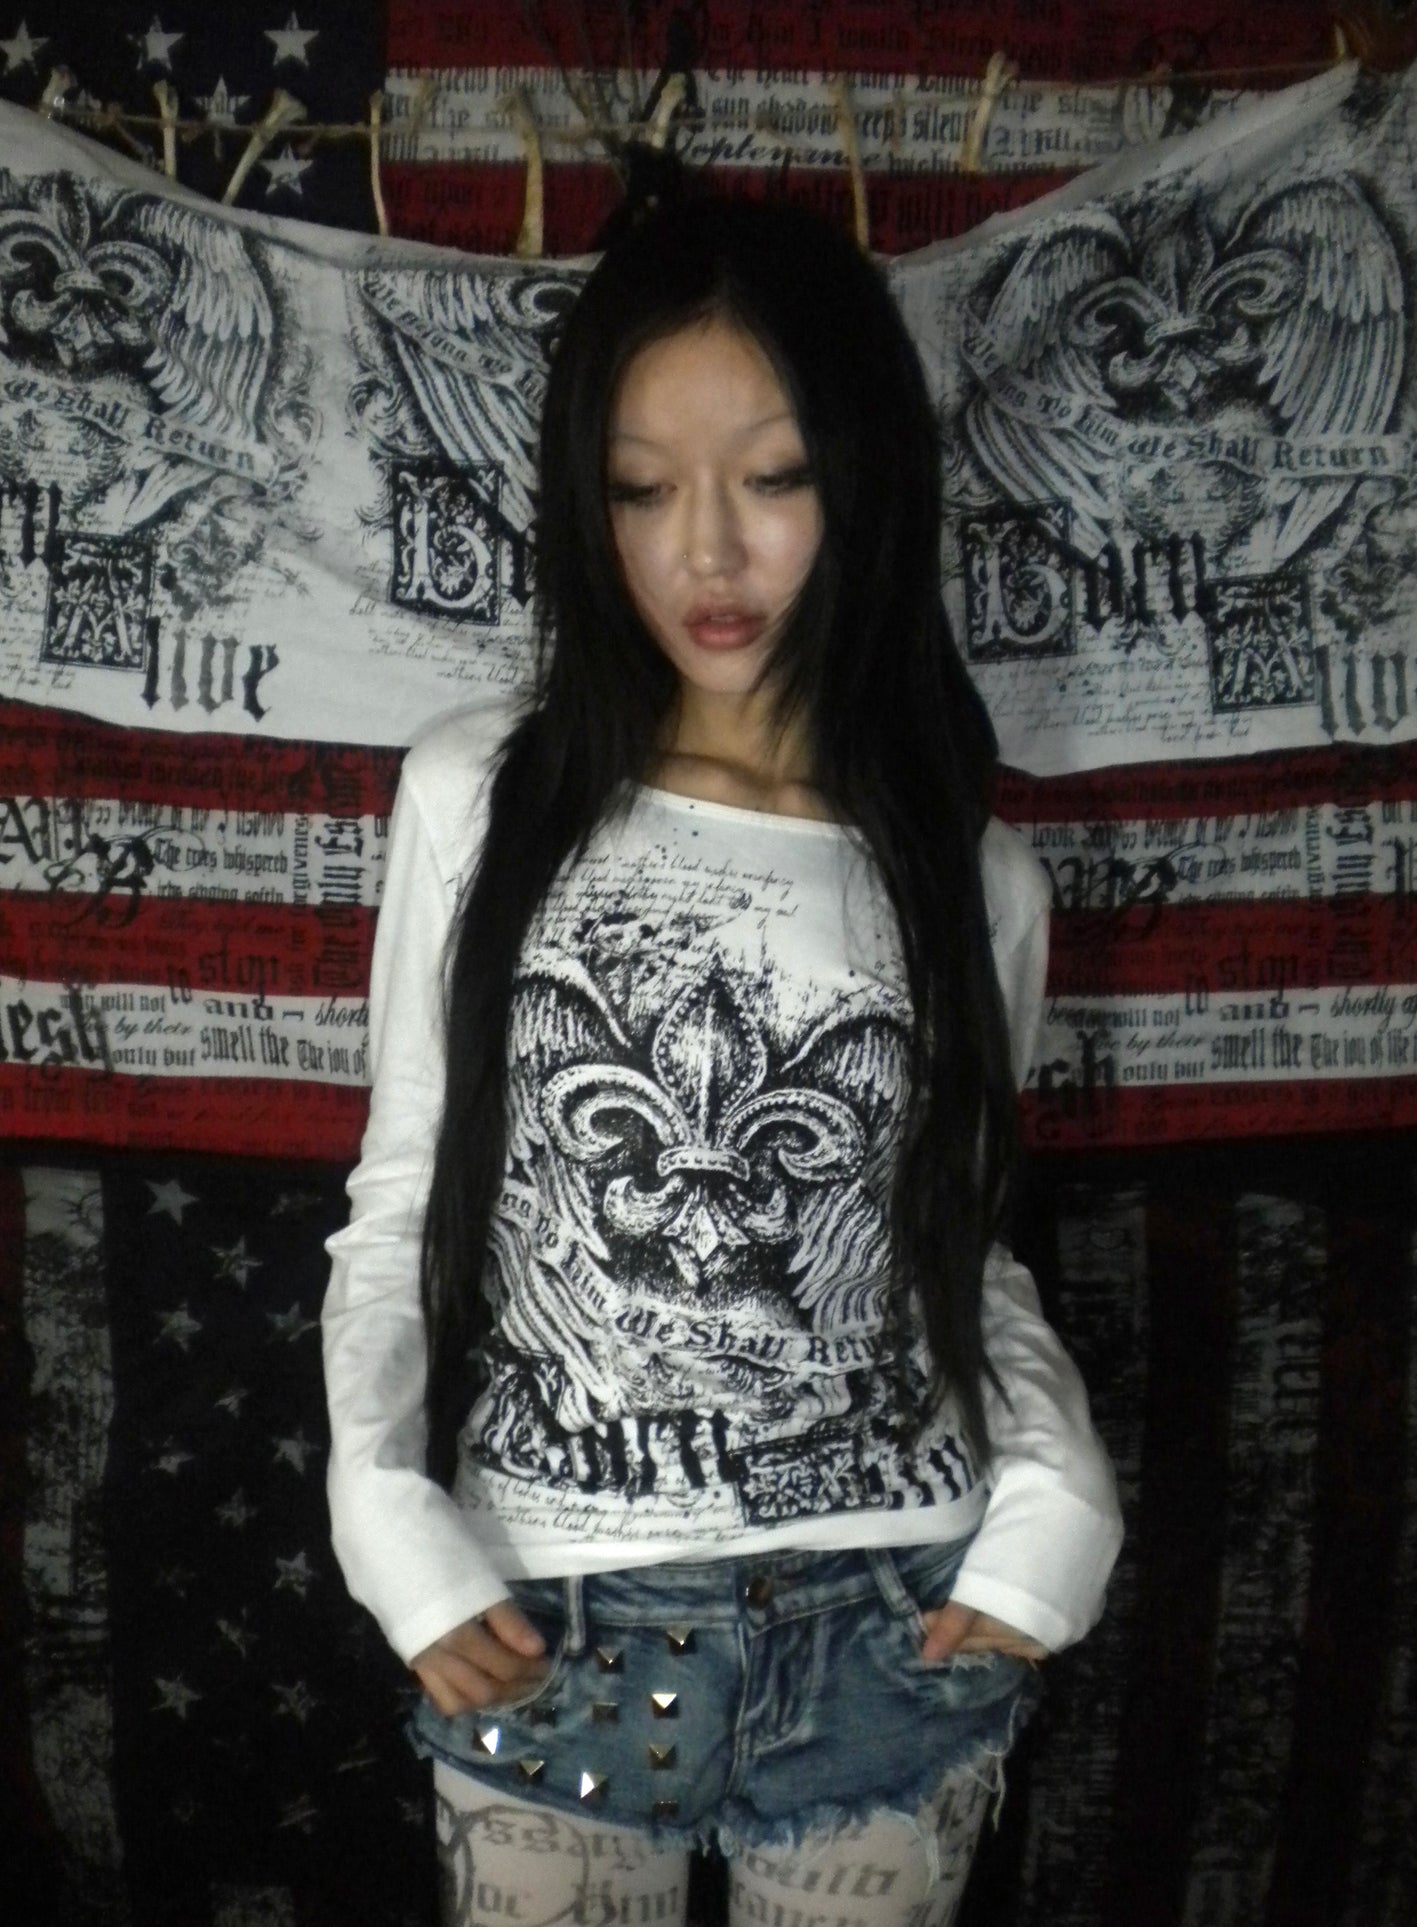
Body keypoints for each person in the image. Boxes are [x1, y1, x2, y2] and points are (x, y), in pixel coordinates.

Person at [322, 186, 1123, 1927]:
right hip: (548, 1619)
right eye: (640, 486)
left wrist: (1060, 1500)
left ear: (864, 482)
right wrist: (384, 1516)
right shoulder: (482, 793)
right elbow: (402, 1198)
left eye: (771, 478)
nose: (705, 553)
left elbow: (961, 1250)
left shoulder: (972, 874)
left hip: (891, 1621)